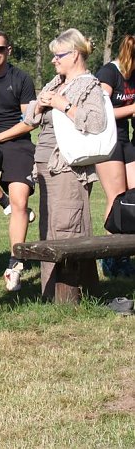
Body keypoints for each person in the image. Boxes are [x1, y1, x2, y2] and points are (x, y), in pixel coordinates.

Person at [22, 28, 105, 300]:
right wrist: (40, 106)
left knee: (67, 229)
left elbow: (96, 123)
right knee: (50, 228)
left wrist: (63, 104)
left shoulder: (89, 85)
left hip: (69, 168)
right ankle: (59, 293)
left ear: (76, 54)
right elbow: (29, 118)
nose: (54, 60)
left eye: (59, 55)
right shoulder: (55, 81)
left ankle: (67, 296)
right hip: (46, 167)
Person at [0, 30, 38, 292]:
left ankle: (15, 265)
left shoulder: (21, 78)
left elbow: (29, 122)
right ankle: (3, 202)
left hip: (16, 142)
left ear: (8, 51)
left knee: (21, 201)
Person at [95, 35, 135, 277]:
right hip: (106, 142)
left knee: (132, 198)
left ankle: (124, 255)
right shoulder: (109, 73)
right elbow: (101, 111)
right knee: (116, 197)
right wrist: (131, 109)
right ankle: (110, 257)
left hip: (126, 140)